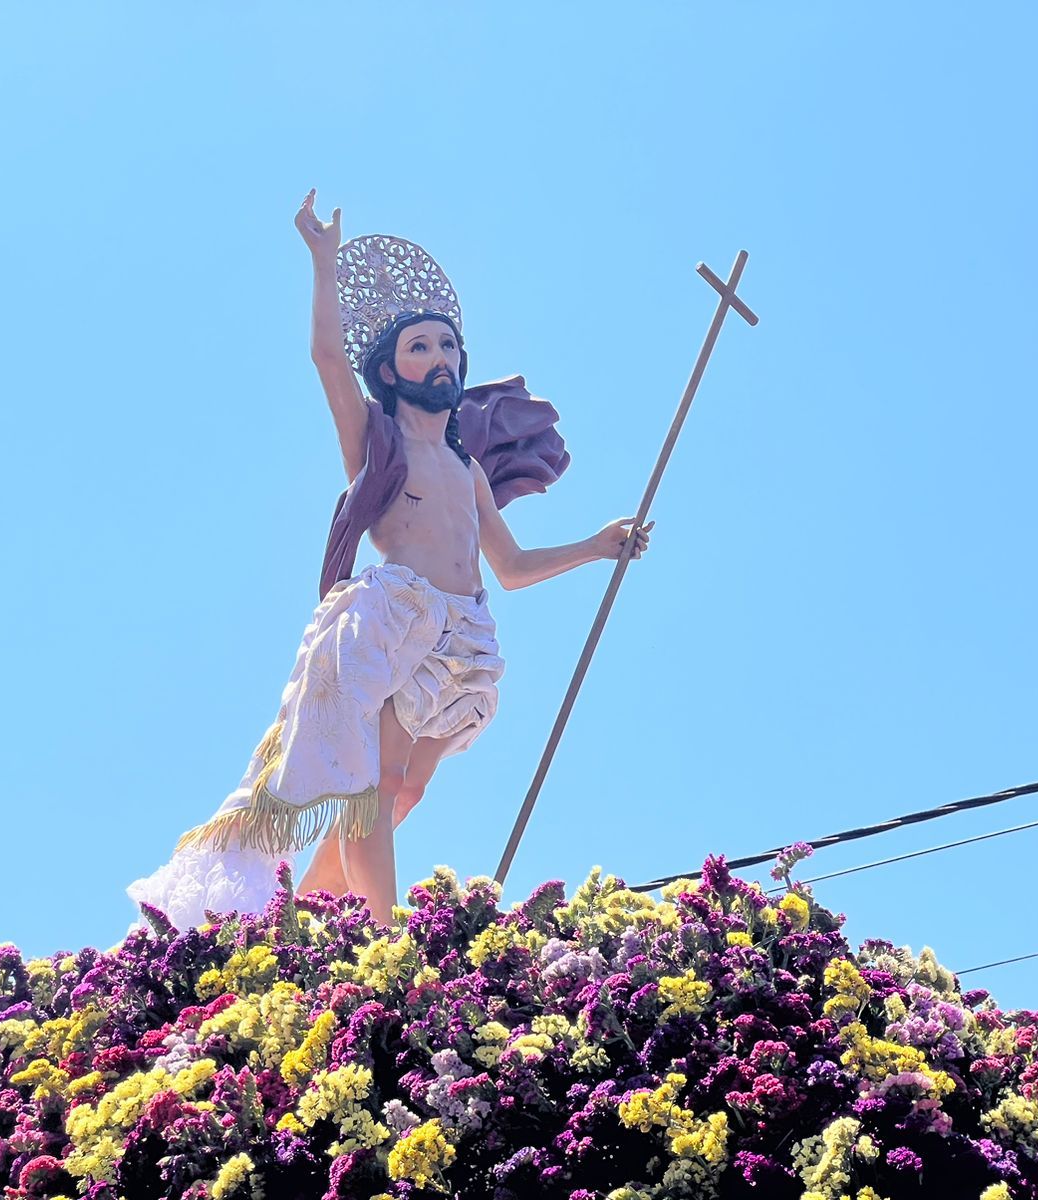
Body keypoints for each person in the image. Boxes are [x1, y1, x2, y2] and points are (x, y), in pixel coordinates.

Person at [126, 190, 652, 931]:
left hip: (465, 633)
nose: (439, 357)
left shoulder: (467, 468)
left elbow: (511, 566)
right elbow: (326, 357)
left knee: (405, 792)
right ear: (392, 368)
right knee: (374, 785)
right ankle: (382, 928)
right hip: (397, 619)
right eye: (420, 347)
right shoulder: (379, 442)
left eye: (447, 346)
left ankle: (308, 910)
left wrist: (598, 548)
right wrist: (323, 264)